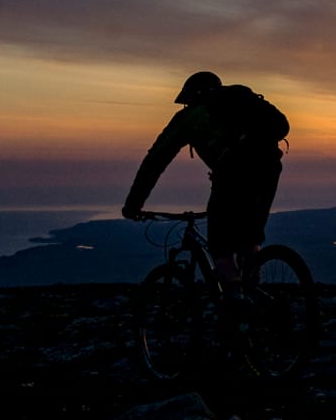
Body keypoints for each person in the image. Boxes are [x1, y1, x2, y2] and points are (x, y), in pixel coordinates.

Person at [123, 71, 289, 291]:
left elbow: (155, 161)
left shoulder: (189, 117)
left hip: (232, 173)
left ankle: (235, 303)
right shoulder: (240, 105)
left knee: (220, 247)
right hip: (269, 169)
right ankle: (254, 295)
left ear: (189, 97)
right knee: (250, 238)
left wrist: (133, 204)